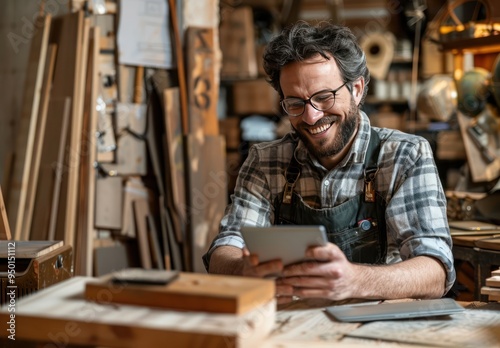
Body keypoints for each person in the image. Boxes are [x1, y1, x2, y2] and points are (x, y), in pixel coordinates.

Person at [202, 21, 455, 304]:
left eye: (323, 97)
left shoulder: (404, 155)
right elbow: (223, 253)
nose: (311, 117)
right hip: (293, 325)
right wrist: (242, 268)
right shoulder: (265, 161)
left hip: (377, 325)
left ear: (357, 89)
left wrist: (354, 281)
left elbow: (436, 270)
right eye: (295, 103)